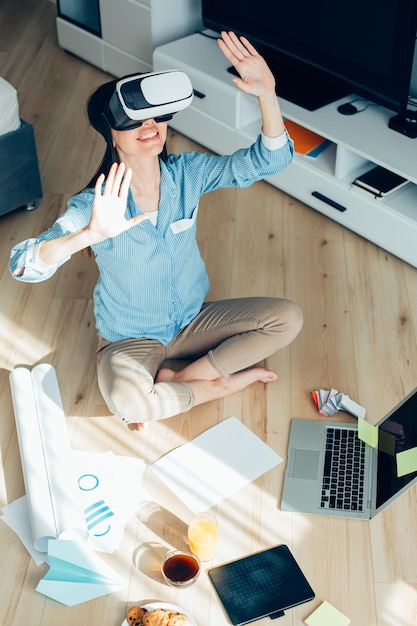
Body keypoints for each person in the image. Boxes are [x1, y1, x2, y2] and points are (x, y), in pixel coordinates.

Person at [9, 31, 303, 431]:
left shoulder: (189, 174)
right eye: (132, 119)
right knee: (127, 403)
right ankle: (214, 387)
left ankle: (183, 379)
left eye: (156, 115)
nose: (148, 125)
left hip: (193, 321)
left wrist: (267, 94)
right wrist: (89, 234)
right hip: (130, 339)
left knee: (287, 318)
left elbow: (267, 162)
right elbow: (23, 266)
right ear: (110, 133)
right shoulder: (93, 203)